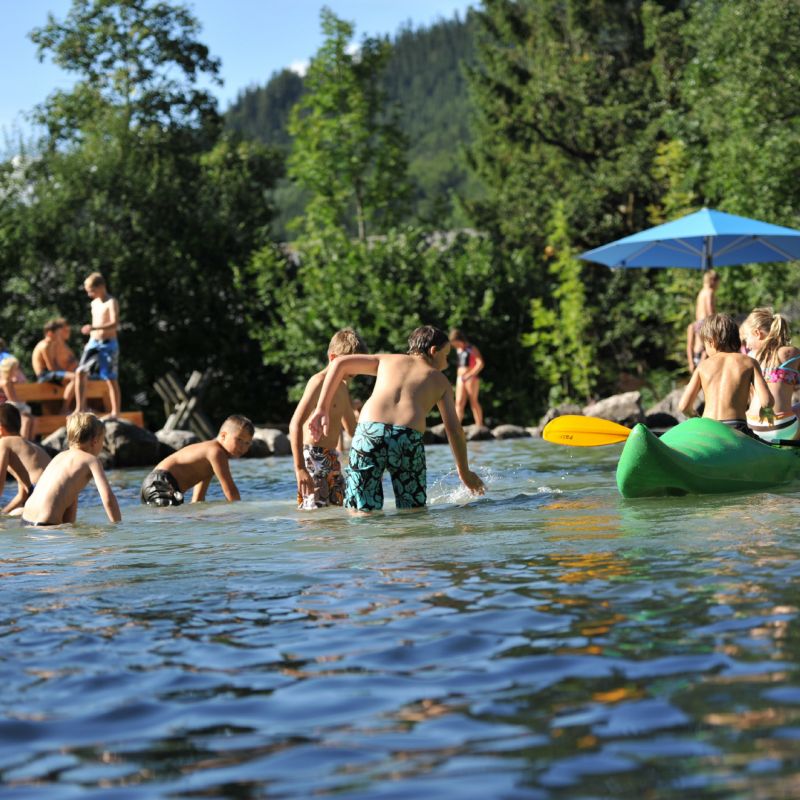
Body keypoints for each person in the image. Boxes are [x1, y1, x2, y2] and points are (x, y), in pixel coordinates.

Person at [308, 325, 485, 512]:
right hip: (406, 438)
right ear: (433, 351)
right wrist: (464, 472)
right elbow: (454, 431)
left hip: (369, 433)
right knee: (413, 510)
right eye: (446, 355)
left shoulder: (387, 359)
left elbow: (338, 363)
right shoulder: (441, 382)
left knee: (361, 508)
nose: (447, 363)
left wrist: (322, 409)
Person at [290, 328, 367, 509]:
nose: (352, 376)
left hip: (332, 456)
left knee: (337, 509)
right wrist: (300, 468)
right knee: (314, 510)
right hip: (313, 457)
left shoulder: (342, 387)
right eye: (350, 372)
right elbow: (295, 424)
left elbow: (351, 428)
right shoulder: (317, 382)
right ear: (333, 358)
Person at [679, 313, 772, 436]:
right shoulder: (749, 362)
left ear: (711, 342)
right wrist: (765, 411)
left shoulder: (703, 366)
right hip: (736, 428)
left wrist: (693, 415)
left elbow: (684, 406)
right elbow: (767, 401)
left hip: (708, 427)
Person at [21, 412, 121, 526]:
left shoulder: (59, 457)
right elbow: (108, 498)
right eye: (103, 440)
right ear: (95, 441)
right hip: (46, 524)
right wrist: (118, 527)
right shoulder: (91, 460)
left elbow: (68, 505)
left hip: (25, 519)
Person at [140, 415, 254, 506]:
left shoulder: (209, 458)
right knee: (170, 524)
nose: (243, 446)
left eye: (247, 443)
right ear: (223, 436)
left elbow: (197, 500)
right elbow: (230, 490)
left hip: (154, 484)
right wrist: (240, 515)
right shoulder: (216, 452)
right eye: (239, 439)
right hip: (162, 482)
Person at [740, 308, 800, 442]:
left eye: (746, 339)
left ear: (757, 333)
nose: (747, 345)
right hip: (783, 428)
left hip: (752, 426)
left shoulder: (749, 357)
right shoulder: (792, 353)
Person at [75, 272, 121, 418]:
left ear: (101, 287)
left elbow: (114, 323)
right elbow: (96, 323)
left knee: (110, 378)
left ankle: (115, 412)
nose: (90, 294)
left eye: (91, 290)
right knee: (80, 372)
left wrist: (95, 328)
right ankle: (79, 408)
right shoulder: (94, 303)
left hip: (108, 344)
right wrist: (90, 334)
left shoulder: (111, 302)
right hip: (94, 342)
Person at [0, 402, 51, 515]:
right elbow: (22, 495)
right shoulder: (28, 446)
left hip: (40, 493)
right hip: (51, 494)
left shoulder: (4, 442)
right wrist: (4, 513)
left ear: (1, 429)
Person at [32, 318, 77, 412]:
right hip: (44, 375)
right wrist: (66, 374)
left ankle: (70, 407)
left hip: (50, 373)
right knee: (74, 377)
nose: (59, 336)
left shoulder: (52, 345)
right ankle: (65, 408)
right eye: (57, 334)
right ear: (49, 333)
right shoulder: (45, 345)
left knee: (74, 378)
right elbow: (51, 367)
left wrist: (65, 373)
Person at [449, 328, 485, 427]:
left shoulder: (471, 348)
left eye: (456, 343)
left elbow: (480, 363)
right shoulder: (458, 350)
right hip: (460, 378)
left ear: (460, 340)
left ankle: (479, 424)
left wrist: (471, 374)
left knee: (473, 401)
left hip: (471, 377)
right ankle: (456, 425)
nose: (455, 346)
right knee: (459, 402)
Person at [686, 269, 720, 372]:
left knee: (699, 346)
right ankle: (702, 366)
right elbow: (709, 308)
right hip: (706, 321)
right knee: (709, 348)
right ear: (713, 280)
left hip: (698, 322)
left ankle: (695, 362)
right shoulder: (709, 292)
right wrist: (714, 321)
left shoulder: (701, 292)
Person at [0, 351, 34, 439]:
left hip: (6, 408)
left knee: (31, 418)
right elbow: (13, 400)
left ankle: (29, 442)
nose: (17, 372)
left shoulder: (8, 382)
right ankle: (22, 441)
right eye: (15, 369)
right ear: (9, 370)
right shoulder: (5, 382)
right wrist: (25, 408)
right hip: (3, 409)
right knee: (26, 419)